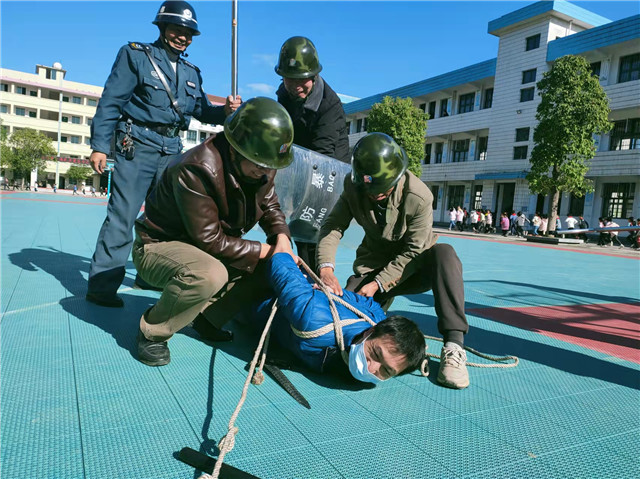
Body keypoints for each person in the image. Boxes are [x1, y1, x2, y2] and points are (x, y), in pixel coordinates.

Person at [85, 1, 242, 308]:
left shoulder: (191, 72)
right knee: (123, 216)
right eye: (176, 30)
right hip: (137, 145)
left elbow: (202, 112)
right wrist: (100, 145)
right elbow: (111, 102)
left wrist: (226, 111)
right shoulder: (135, 56)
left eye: (188, 33)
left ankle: (149, 274)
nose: (182, 37)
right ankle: (102, 286)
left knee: (164, 220)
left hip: (172, 151)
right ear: (162, 28)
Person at [132, 97, 296, 367]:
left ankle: (209, 318)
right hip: (158, 246)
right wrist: (266, 251)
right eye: (260, 166)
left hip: (203, 247)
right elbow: (210, 240)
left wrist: (282, 240)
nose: (265, 172)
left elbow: (270, 206)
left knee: (273, 268)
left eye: (270, 167)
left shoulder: (261, 162)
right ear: (236, 149)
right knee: (209, 273)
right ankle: (152, 331)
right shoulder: (197, 168)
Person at [317, 133, 470, 389]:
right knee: (342, 313)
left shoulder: (419, 196)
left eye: (382, 188)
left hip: (415, 267)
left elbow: (413, 251)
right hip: (372, 265)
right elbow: (333, 226)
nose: (374, 194)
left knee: (446, 253)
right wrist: (325, 268)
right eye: (369, 188)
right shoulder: (353, 186)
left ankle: (454, 345)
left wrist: (378, 283)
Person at [252, 252, 426, 381]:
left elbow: (372, 306)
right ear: (368, 333)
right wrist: (327, 291)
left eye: (386, 371)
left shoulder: (377, 320)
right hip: (252, 297)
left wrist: (341, 295)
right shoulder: (311, 317)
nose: (371, 367)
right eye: (375, 353)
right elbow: (280, 260)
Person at [274, 36, 350, 273]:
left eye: (302, 80)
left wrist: (299, 190)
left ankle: (318, 282)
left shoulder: (330, 105)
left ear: (314, 75)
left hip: (328, 171)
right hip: (299, 165)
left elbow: (323, 156)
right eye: (289, 79)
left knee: (312, 233)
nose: (296, 85)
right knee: (288, 227)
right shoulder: (284, 95)